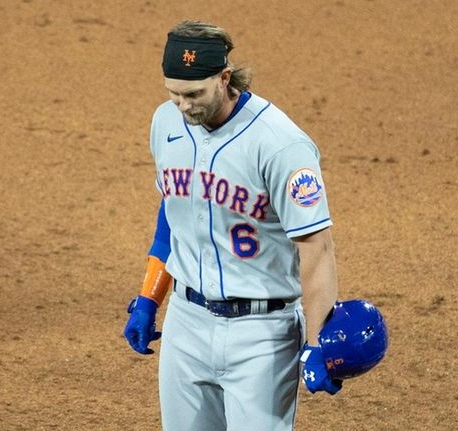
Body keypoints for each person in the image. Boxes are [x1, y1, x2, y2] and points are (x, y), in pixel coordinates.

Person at [124, 20, 342, 430]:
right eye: (173, 95)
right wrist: (150, 296)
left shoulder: (280, 144)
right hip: (185, 325)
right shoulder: (165, 123)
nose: (184, 107)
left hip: (262, 336)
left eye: (194, 94)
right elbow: (174, 211)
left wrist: (315, 343)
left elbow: (317, 247)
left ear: (224, 78)